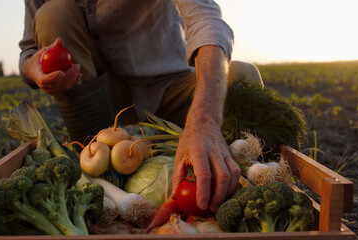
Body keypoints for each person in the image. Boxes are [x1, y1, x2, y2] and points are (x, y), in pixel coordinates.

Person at [19, 0, 263, 214]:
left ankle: (254, 173)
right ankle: (98, 173)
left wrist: (204, 119)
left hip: (166, 83)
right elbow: (28, 52)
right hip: (93, 96)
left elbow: (206, 18)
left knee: (243, 77)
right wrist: (33, 67)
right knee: (53, 13)